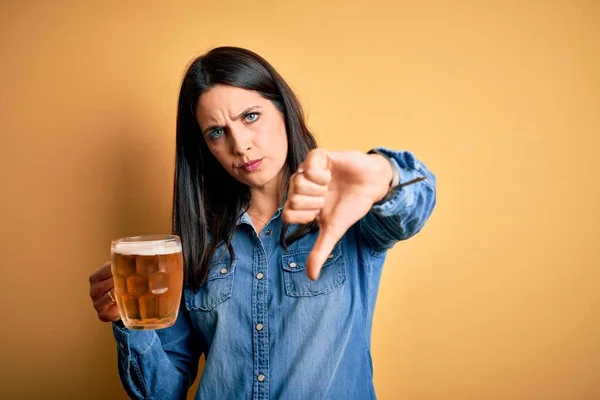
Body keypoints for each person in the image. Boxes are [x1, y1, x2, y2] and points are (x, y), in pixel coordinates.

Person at [89, 46, 437, 400]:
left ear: (284, 110)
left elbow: (415, 202)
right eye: (217, 133)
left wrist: (384, 174)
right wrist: (128, 323)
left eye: (250, 116)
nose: (240, 145)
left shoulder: (344, 210)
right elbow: (161, 393)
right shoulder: (196, 243)